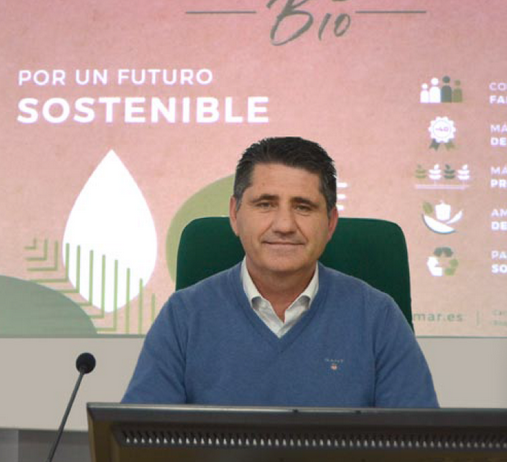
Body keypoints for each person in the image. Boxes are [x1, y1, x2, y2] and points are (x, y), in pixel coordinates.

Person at [122, 137, 438, 407]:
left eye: (303, 207)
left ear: (330, 223)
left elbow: (419, 445)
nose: (284, 225)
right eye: (265, 204)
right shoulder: (183, 317)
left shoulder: (378, 318)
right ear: (234, 214)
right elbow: (140, 442)